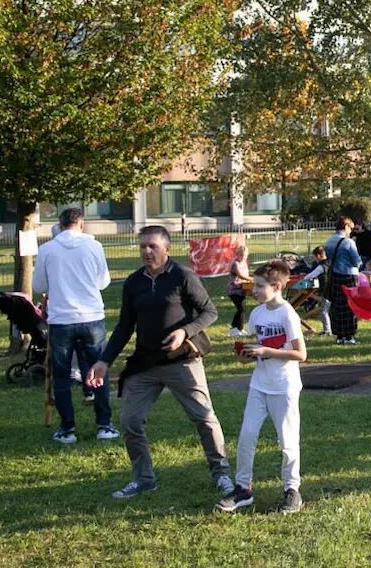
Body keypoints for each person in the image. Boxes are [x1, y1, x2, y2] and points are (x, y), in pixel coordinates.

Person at [88, 225, 232, 500]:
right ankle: (143, 480)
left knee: (204, 418)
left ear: (167, 249)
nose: (147, 251)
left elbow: (209, 311)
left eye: (152, 246)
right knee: (130, 421)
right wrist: (104, 360)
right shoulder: (133, 283)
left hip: (182, 361)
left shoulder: (182, 276)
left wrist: (185, 332)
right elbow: (124, 326)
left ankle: (222, 474)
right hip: (145, 363)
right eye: (143, 246)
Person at [216, 260, 305, 515]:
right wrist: (245, 356)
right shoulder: (257, 314)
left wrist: (266, 351)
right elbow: (259, 351)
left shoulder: (287, 314)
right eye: (253, 285)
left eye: (259, 286)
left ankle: (292, 489)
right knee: (246, 436)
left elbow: (300, 354)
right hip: (259, 385)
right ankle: (243, 489)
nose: (253, 290)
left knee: (287, 441)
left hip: (284, 387)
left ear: (277, 286)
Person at [33, 207, 117, 445]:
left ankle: (67, 428)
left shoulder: (47, 249)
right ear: (82, 224)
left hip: (62, 319)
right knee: (98, 371)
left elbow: (39, 285)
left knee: (61, 376)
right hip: (91, 316)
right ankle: (104, 425)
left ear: (59, 226)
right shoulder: (94, 246)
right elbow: (103, 281)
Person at [324, 217, 364, 344]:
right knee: (350, 306)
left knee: (337, 307)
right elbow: (357, 262)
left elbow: (328, 258)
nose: (351, 231)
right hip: (348, 277)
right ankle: (349, 336)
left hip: (335, 276)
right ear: (346, 226)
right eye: (350, 228)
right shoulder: (348, 242)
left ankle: (339, 336)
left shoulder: (329, 241)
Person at [300, 246, 332, 336]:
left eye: (314, 257)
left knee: (323, 311)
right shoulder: (330, 263)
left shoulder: (322, 266)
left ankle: (327, 331)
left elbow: (312, 275)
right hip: (332, 289)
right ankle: (328, 330)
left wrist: (303, 279)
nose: (315, 259)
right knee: (325, 310)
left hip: (326, 291)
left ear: (318, 256)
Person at [226, 244, 251, 338]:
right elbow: (240, 275)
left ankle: (237, 328)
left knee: (242, 309)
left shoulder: (244, 263)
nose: (243, 257)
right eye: (242, 255)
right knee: (241, 309)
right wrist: (251, 279)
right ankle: (236, 329)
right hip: (234, 290)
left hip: (242, 289)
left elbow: (246, 274)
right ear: (237, 255)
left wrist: (251, 278)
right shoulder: (235, 264)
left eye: (245, 255)